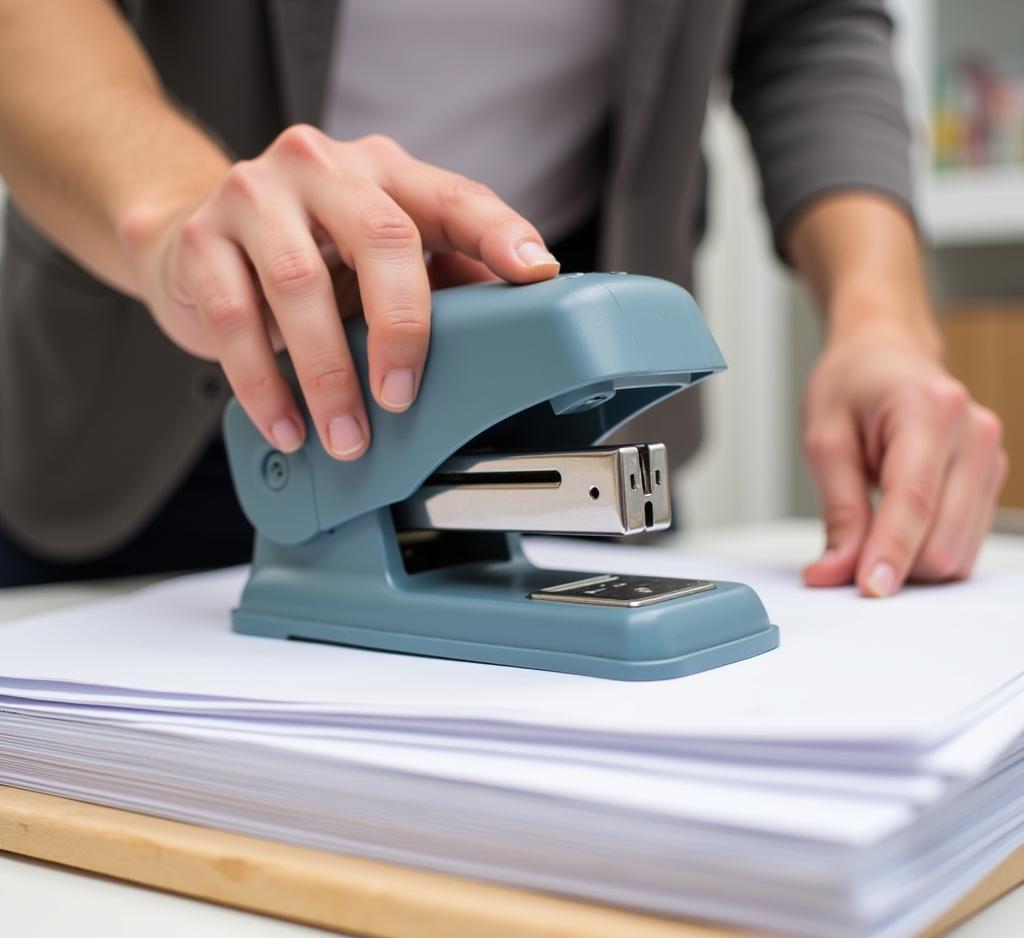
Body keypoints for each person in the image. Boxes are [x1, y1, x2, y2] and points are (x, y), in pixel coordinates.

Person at [0, 0, 1007, 595]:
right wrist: (177, 214)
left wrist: (881, 318)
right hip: (163, 385)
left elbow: (807, 23)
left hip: (564, 361)